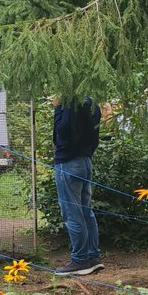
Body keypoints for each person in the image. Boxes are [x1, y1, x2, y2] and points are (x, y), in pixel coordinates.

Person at [52, 96, 104, 276]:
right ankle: (93, 256)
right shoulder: (92, 102)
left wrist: (58, 108)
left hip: (68, 163)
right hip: (85, 161)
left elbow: (62, 130)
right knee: (85, 211)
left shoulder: (69, 102)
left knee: (72, 213)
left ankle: (80, 260)